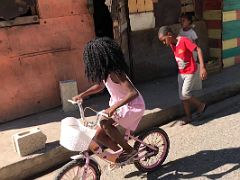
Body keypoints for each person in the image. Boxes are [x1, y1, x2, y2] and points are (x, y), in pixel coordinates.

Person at [73, 37, 145, 161]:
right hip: (119, 106)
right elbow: (100, 86)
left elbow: (133, 93)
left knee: (105, 124)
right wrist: (82, 95)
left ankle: (130, 150)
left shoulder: (116, 73)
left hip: (132, 105)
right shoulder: (106, 73)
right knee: (98, 134)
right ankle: (121, 154)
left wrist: (113, 107)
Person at [158, 26, 207, 125]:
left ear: (169, 34)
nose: (164, 43)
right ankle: (188, 117)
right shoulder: (172, 45)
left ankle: (201, 105)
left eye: (164, 40)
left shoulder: (184, 40)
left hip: (190, 72)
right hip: (181, 74)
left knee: (185, 94)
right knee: (182, 97)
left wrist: (202, 67)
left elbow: (198, 49)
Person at [179, 13, 202, 90]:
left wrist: (195, 51)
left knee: (193, 68)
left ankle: (193, 84)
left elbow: (196, 43)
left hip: (192, 53)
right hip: (184, 54)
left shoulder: (192, 32)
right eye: (181, 21)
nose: (181, 22)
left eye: (183, 20)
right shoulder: (181, 31)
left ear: (189, 22)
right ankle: (186, 84)